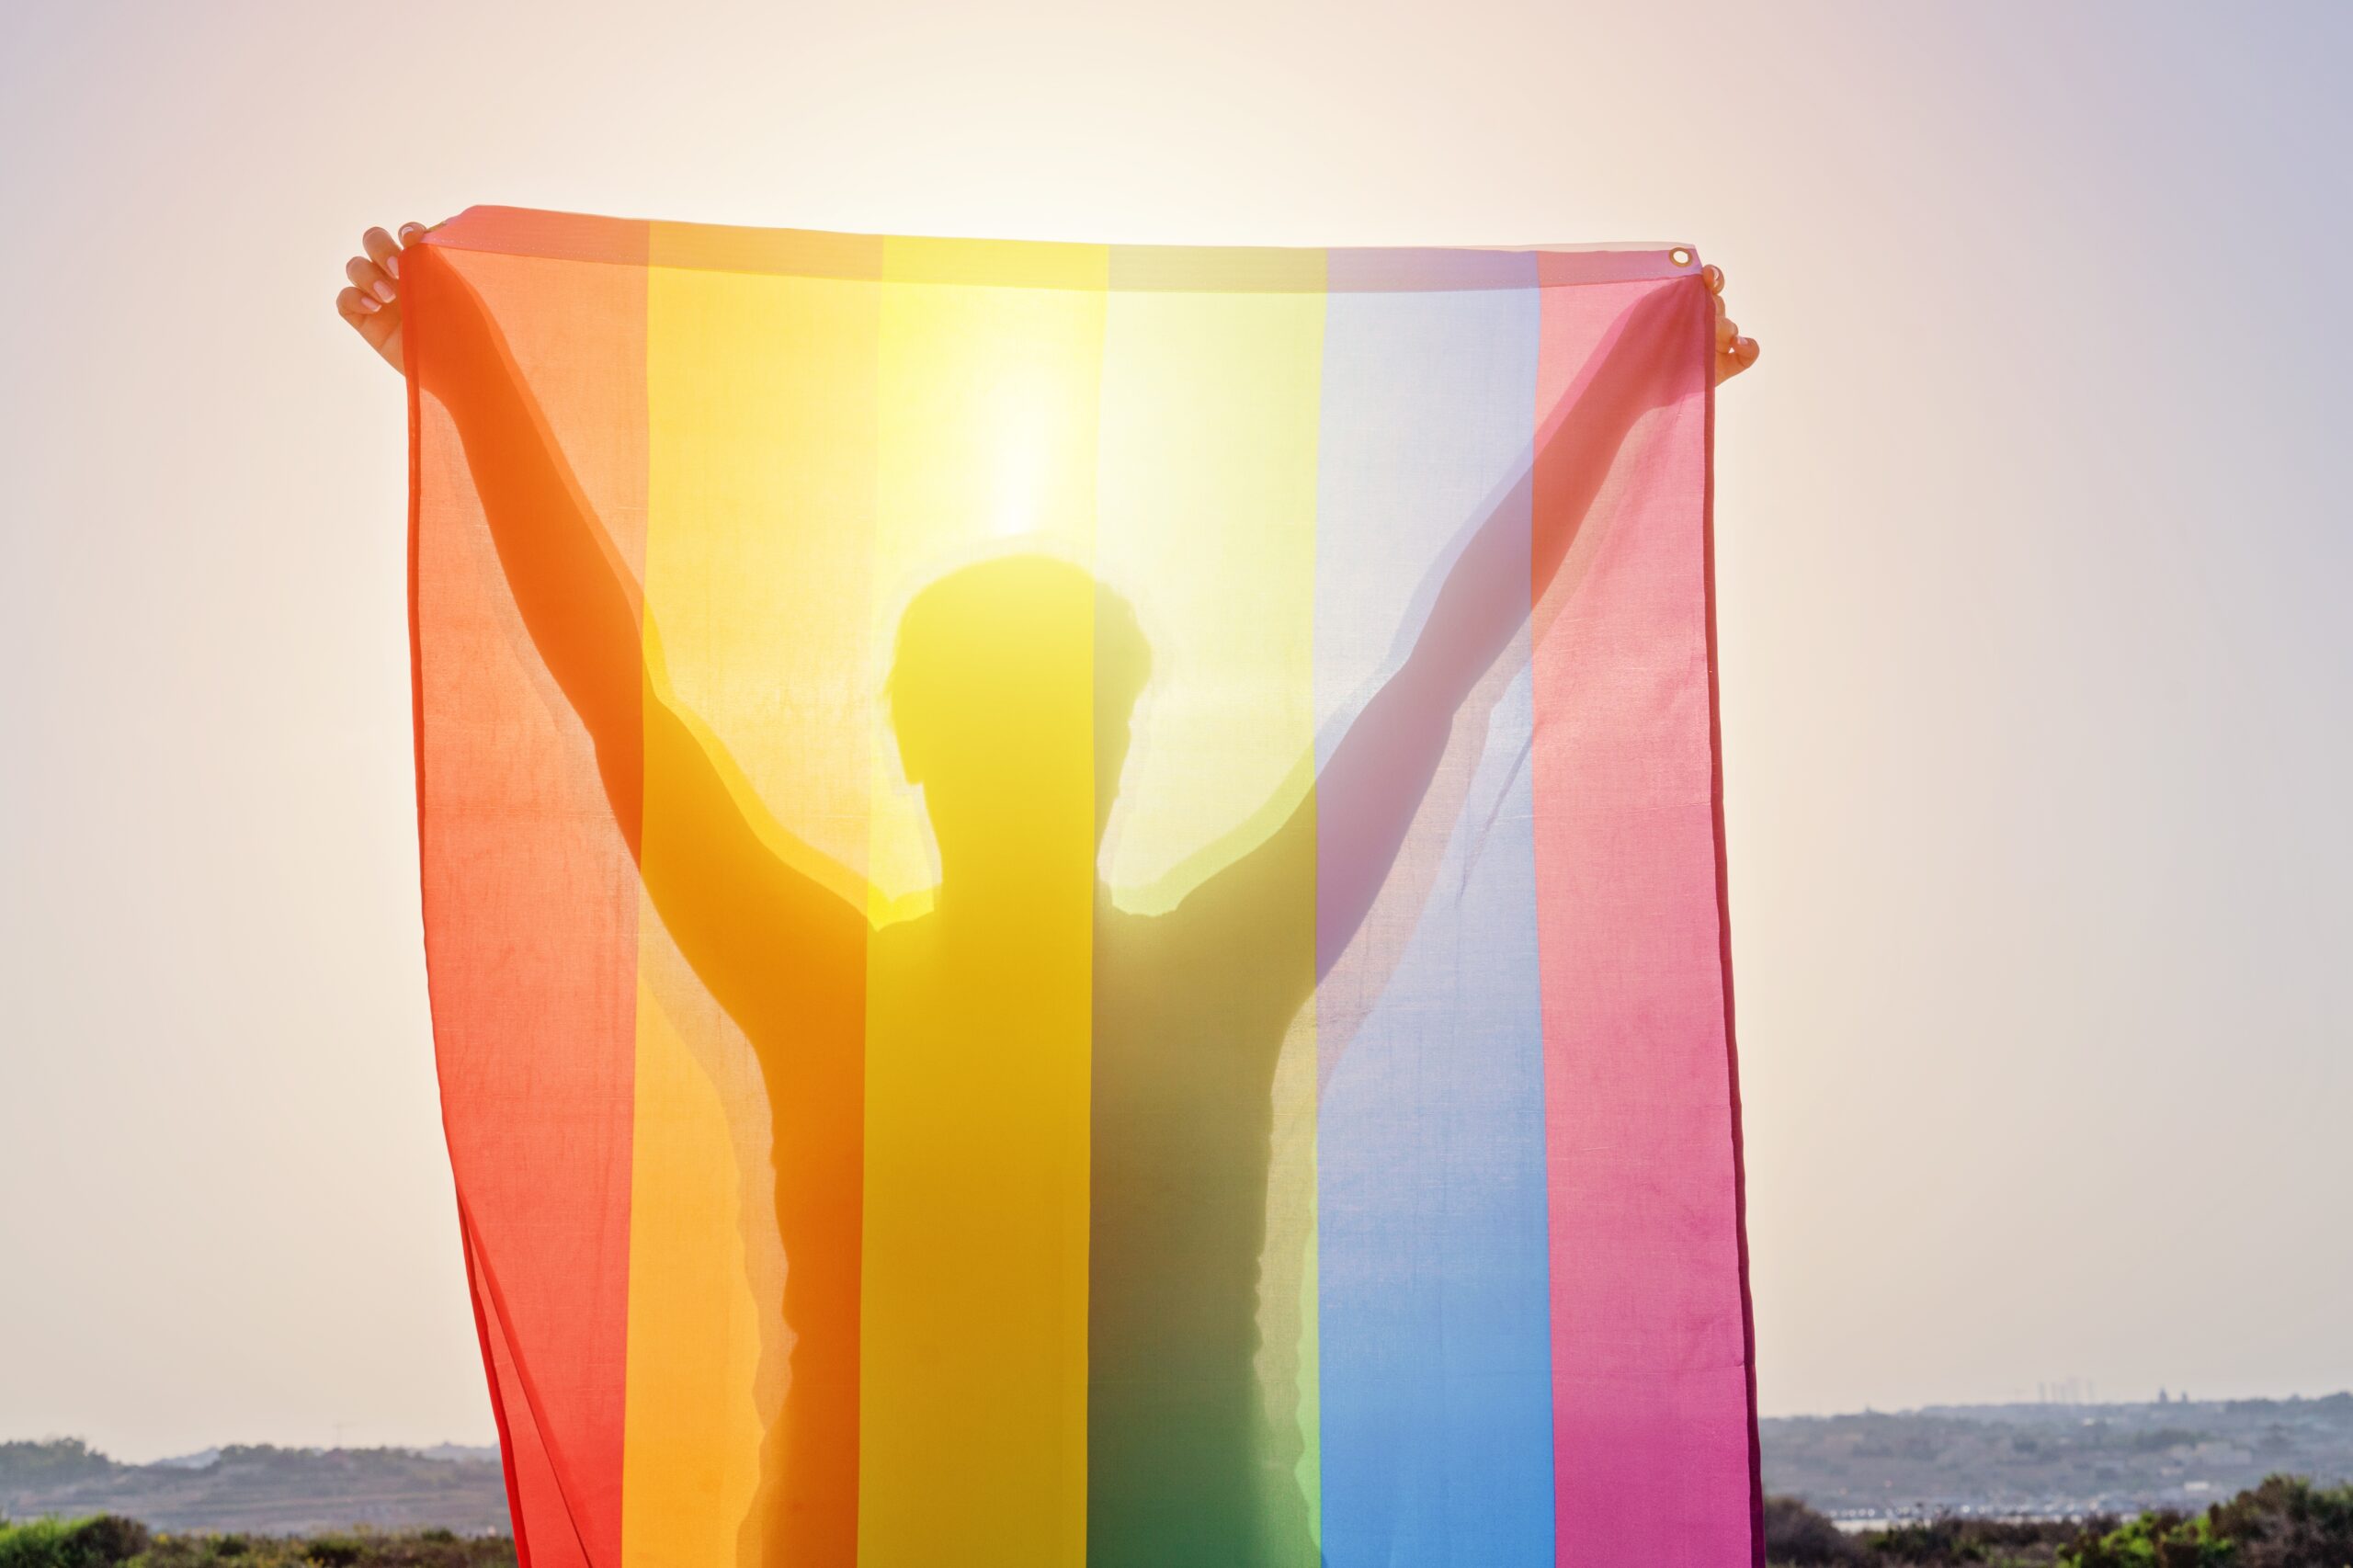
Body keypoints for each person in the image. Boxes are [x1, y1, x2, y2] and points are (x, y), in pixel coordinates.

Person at [342, 221, 1756, 1568]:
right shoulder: (1220, 966)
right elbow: (1435, 677)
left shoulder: (831, 979)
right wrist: (1622, 390)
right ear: (1118, 744)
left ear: (911, 743)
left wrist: (473, 385)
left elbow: (617, 694)